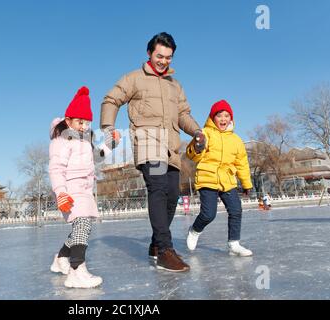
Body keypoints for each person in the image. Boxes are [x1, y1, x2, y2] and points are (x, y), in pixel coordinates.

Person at [100, 32, 205, 272]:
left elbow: (183, 115)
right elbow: (111, 99)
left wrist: (197, 132)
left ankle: (156, 244)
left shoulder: (175, 85)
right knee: (157, 189)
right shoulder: (134, 78)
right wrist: (108, 127)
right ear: (149, 53)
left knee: (172, 196)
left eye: (168, 57)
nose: (163, 61)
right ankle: (165, 250)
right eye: (160, 56)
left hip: (171, 147)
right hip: (149, 142)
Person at [48, 86, 120, 288]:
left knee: (82, 226)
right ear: (69, 120)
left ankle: (61, 257)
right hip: (70, 189)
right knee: (82, 225)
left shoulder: (85, 139)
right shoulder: (62, 139)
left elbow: (96, 157)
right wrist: (60, 192)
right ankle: (76, 269)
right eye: (80, 122)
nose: (84, 126)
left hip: (85, 188)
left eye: (87, 122)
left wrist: (110, 145)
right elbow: (56, 168)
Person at [186, 100, 254, 257]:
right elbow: (192, 155)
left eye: (227, 115)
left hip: (227, 179)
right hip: (207, 177)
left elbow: (242, 163)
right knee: (209, 214)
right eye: (219, 115)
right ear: (212, 117)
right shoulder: (205, 133)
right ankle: (195, 230)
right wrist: (198, 146)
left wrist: (246, 183)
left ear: (231, 119)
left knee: (236, 210)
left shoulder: (236, 140)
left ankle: (234, 243)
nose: (223, 119)